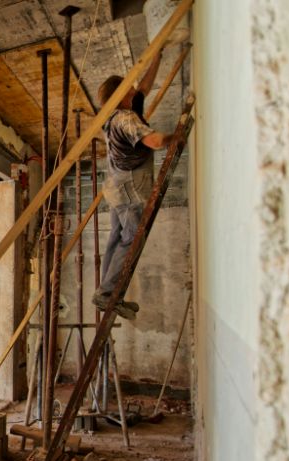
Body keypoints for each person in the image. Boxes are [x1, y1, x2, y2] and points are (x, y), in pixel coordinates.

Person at [92, 52, 175, 320]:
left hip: (116, 185)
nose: (133, 88)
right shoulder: (124, 119)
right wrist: (178, 134)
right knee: (130, 239)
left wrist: (157, 56)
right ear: (120, 95)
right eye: (128, 86)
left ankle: (107, 293)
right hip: (128, 188)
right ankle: (107, 294)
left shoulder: (127, 109)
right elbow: (155, 142)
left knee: (116, 238)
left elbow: (144, 88)